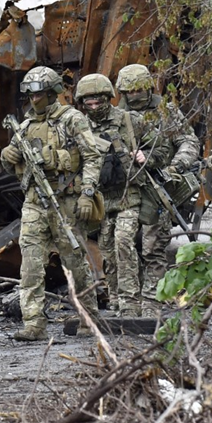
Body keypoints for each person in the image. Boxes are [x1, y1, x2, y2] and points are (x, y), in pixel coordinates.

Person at [0, 66, 102, 341]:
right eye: (31, 95)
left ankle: (89, 318)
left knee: (74, 262)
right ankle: (34, 324)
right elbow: (14, 166)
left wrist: (87, 193)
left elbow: (92, 157)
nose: (34, 100)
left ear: (53, 93)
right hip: (34, 202)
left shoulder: (72, 120)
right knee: (30, 264)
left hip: (65, 200)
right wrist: (8, 156)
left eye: (40, 94)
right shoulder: (24, 127)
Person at [75, 73, 169, 317]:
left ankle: (130, 303)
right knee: (107, 250)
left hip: (129, 195)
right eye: (88, 103)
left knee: (124, 242)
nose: (93, 107)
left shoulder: (129, 120)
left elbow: (162, 147)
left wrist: (146, 157)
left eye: (98, 102)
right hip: (102, 200)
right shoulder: (81, 127)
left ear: (108, 98)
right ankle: (116, 299)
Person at [116, 64, 200, 317]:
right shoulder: (117, 115)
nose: (135, 95)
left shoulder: (165, 111)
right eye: (130, 91)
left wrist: (176, 166)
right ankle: (126, 304)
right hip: (127, 189)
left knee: (153, 247)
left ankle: (152, 305)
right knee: (123, 245)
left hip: (159, 186)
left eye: (139, 90)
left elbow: (188, 141)